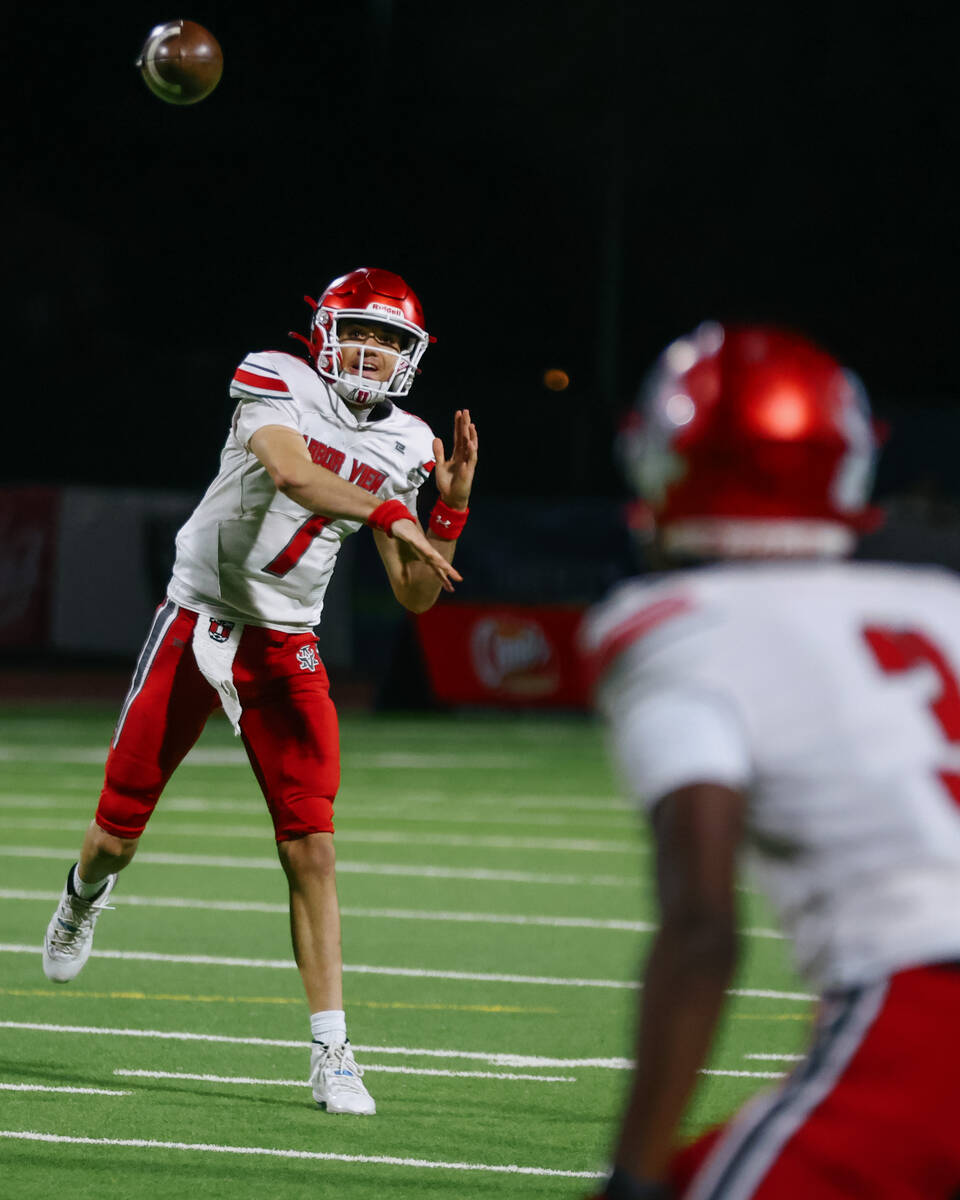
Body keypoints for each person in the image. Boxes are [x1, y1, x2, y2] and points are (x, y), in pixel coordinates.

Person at [41, 266, 478, 1117]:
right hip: (196, 621)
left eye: (390, 341)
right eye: (359, 330)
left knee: (311, 846)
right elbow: (288, 473)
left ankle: (332, 1050)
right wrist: (392, 513)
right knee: (114, 835)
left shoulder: (411, 444)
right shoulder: (276, 378)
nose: (372, 351)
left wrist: (448, 511)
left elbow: (414, 593)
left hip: (286, 646)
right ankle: (80, 898)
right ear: (322, 330)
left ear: (411, 359)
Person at [579, 322, 960, 1198]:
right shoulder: (937, 599)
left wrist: (629, 1179)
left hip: (931, 1018)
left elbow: (704, 925)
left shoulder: (678, 625)